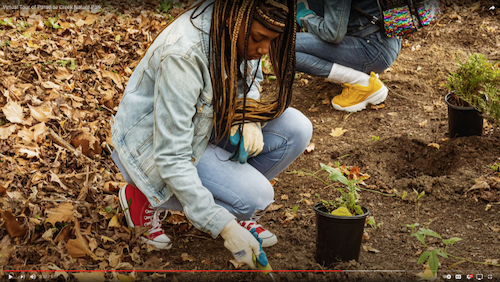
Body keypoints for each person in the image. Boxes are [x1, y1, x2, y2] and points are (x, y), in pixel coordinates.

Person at [110, 0, 312, 269]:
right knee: (255, 195)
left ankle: (231, 202)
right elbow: (172, 155)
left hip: (203, 126)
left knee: (297, 128)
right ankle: (144, 196)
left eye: (272, 41)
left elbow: (251, 80)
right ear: (235, 19)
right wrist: (225, 227)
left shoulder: (239, 26)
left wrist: (248, 116)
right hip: (152, 147)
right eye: (259, 39)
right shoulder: (183, 53)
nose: (264, 50)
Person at [295, 0, 402, 112]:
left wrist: (305, 17)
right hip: (388, 38)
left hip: (373, 50)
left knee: (286, 47)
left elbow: (332, 34)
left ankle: (363, 83)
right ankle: (358, 69)